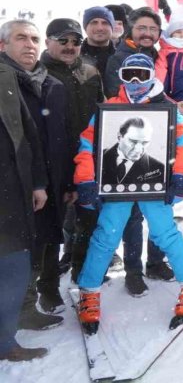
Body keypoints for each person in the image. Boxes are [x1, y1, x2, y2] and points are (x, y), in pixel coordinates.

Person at [73, 53, 183, 333]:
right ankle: (89, 291)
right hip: (117, 183)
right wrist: (86, 179)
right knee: (106, 234)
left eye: (142, 75)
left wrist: (180, 175)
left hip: (153, 181)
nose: (135, 82)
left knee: (164, 232)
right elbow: (88, 143)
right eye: (129, 75)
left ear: (152, 78)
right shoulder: (109, 109)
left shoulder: (166, 108)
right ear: (121, 77)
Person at [0, 20, 68, 329]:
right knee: (14, 249)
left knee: (40, 243)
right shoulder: (5, 82)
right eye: (20, 38)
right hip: (11, 184)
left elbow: (61, 137)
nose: (29, 44)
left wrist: (64, 182)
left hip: (46, 183)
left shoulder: (52, 84)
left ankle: (26, 307)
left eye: (34, 38)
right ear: (3, 45)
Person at [101, 7, 170, 292]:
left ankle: (155, 261)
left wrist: (174, 107)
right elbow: (125, 99)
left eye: (153, 29)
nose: (147, 33)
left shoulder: (161, 55)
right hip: (131, 144)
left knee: (159, 209)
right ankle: (133, 270)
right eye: (142, 28)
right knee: (132, 214)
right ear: (131, 29)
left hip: (159, 144)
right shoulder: (119, 57)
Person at [38, 19, 103, 287]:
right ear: (47, 42)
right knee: (51, 229)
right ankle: (48, 285)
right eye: (62, 40)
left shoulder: (91, 73)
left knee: (88, 221)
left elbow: (102, 113)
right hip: (52, 162)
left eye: (75, 41)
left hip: (87, 160)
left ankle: (82, 271)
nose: (70, 46)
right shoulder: (37, 73)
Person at [0, 62, 50, 362]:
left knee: (14, 270)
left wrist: (38, 182)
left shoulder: (5, 75)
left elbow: (27, 131)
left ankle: (5, 342)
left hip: (11, 192)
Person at [80, 6, 117, 84]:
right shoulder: (74, 58)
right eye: (94, 22)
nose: (100, 28)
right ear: (85, 27)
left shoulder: (121, 58)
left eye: (105, 23)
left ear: (112, 28)